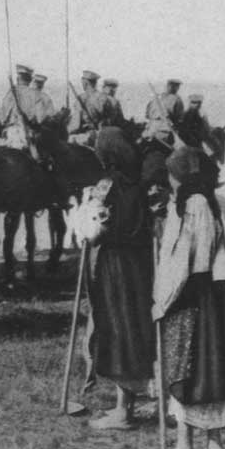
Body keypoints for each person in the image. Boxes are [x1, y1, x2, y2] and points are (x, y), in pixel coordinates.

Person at [152, 146, 225, 449]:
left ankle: (184, 445)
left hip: (190, 296)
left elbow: (181, 261)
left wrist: (161, 302)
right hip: (217, 298)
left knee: (186, 367)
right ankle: (215, 444)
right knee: (213, 366)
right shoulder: (224, 204)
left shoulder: (188, 206)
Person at [75, 130, 155, 431]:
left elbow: (95, 233)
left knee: (118, 328)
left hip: (115, 265)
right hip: (140, 265)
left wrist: (85, 215)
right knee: (132, 325)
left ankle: (123, 411)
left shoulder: (107, 187)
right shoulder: (140, 185)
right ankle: (126, 403)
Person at [0, 63, 39, 151]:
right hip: (26, 132)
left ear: (18, 78)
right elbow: (36, 118)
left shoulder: (11, 92)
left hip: (10, 133)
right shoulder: (34, 93)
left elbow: (3, 115)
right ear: (30, 79)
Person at [70, 70, 109, 145]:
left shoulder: (81, 98)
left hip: (88, 137)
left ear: (85, 83)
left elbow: (75, 125)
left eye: (82, 82)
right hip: (103, 136)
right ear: (95, 82)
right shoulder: (104, 97)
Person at [144, 78, 185, 145]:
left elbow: (147, 115)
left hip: (151, 130)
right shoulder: (177, 99)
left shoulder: (156, 97)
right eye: (177, 86)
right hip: (164, 131)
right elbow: (179, 119)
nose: (177, 88)